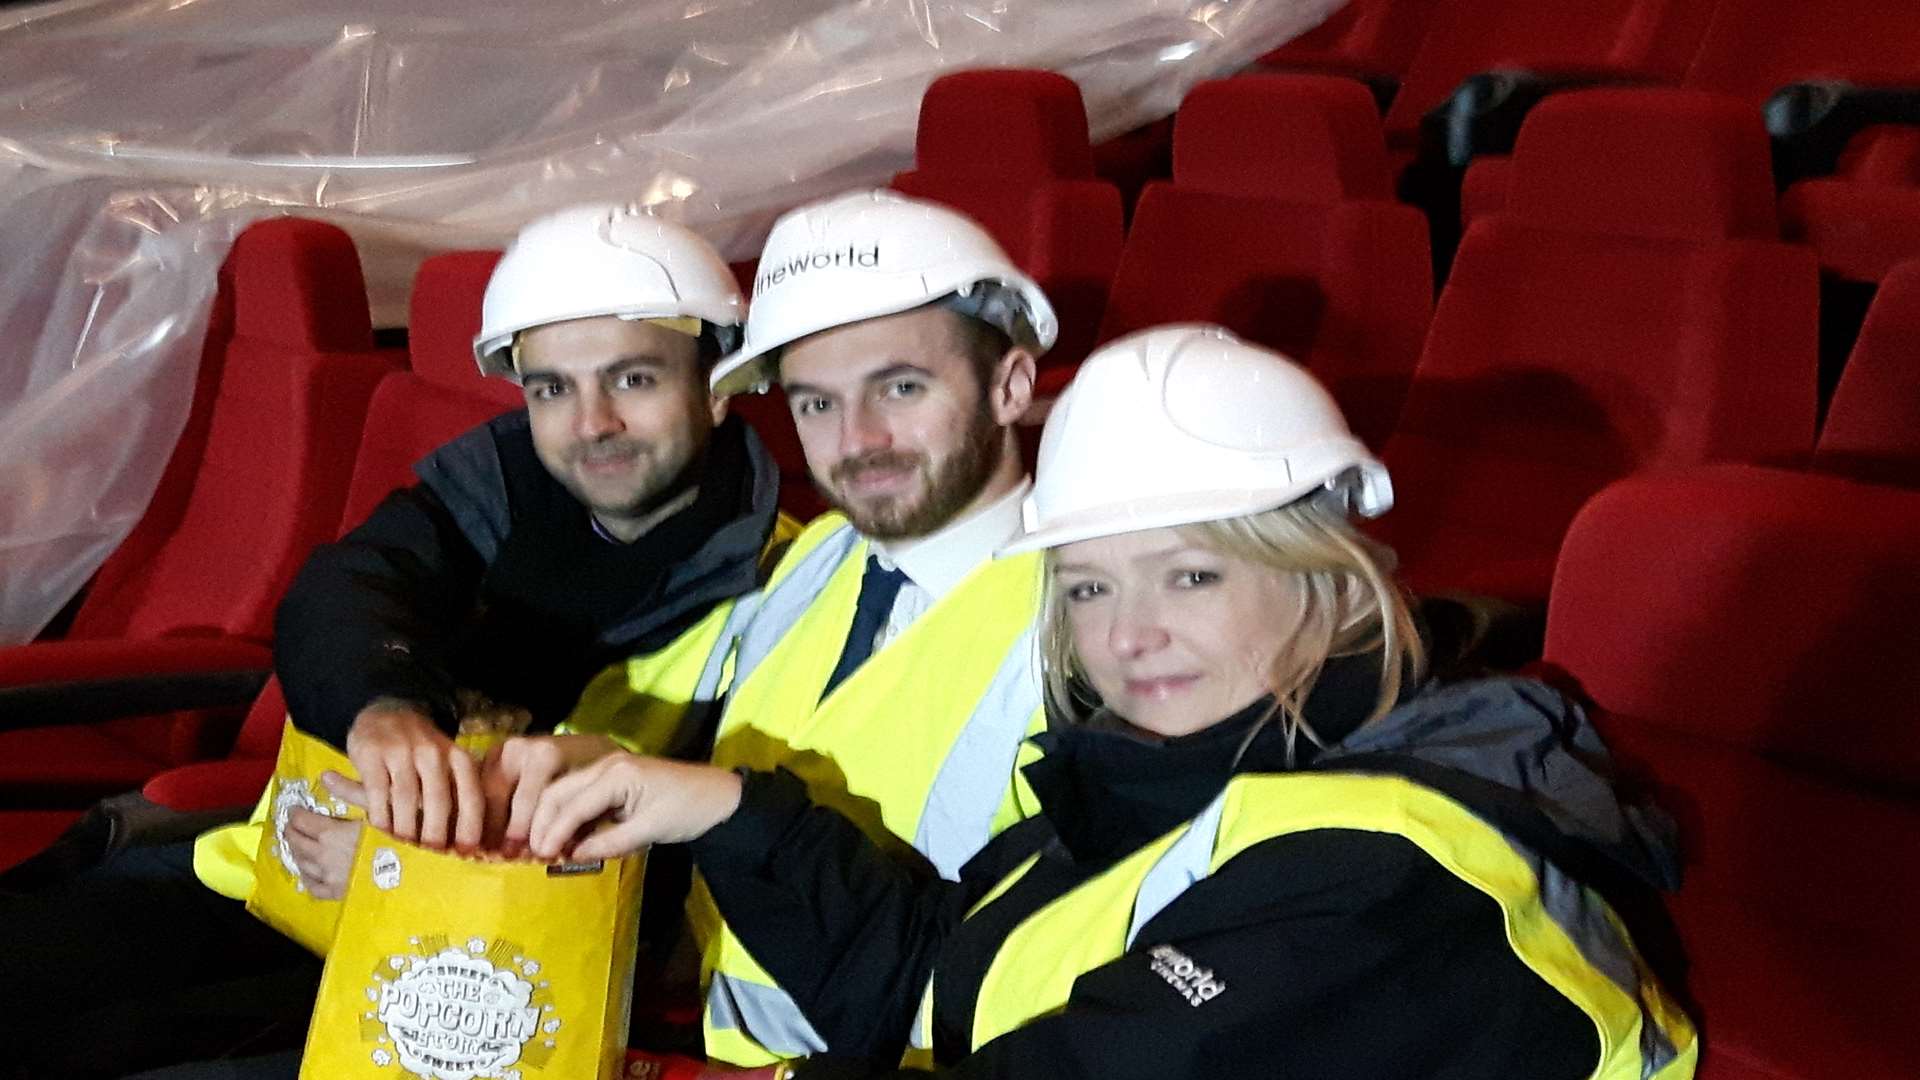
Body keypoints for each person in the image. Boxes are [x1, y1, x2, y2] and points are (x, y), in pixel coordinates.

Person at [521, 325, 1700, 1079]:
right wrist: (721, 810)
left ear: (1328, 583)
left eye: (1192, 574)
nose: (1128, 635)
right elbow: (950, 971)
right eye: (1087, 586)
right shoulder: (1187, 770)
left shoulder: (1391, 876)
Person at [0, 203, 792, 1080]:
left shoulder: (787, 590)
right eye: (552, 389)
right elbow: (347, 590)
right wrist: (382, 706)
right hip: (270, 880)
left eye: (634, 380)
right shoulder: (489, 489)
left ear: (719, 386)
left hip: (477, 984)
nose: (591, 422)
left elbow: (730, 877)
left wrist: (414, 878)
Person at [535, 189, 1059, 1066]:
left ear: (1010, 384)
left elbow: (1033, 975)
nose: (858, 441)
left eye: (899, 387)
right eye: (816, 404)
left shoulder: (1103, 630)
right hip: (708, 1048)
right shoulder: (817, 556)